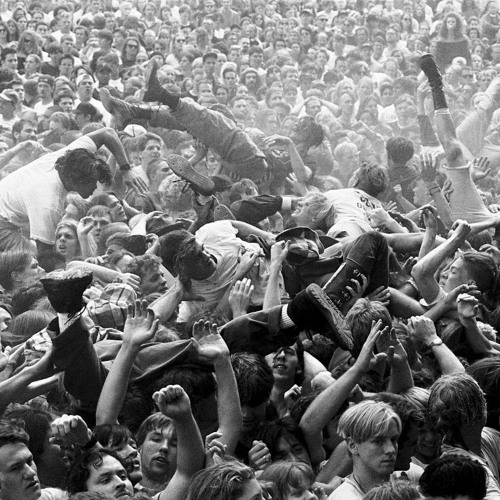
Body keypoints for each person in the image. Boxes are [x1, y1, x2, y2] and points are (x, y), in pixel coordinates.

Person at [0, 127, 146, 252]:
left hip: (9, 210)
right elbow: (45, 255)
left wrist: (126, 169)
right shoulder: (49, 203)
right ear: (75, 179)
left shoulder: (70, 157)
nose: (95, 187)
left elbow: (107, 133)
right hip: (3, 223)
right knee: (28, 261)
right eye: (91, 182)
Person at [328, 400, 401, 499]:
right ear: (352, 445)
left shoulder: (408, 481)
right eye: (378, 441)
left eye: (394, 440)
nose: (391, 449)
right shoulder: (344, 497)